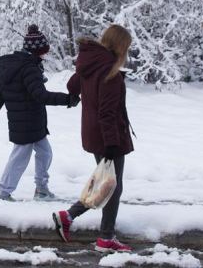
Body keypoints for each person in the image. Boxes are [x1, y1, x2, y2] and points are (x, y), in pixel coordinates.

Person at [52, 24, 135, 253]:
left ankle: (68, 216)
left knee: (105, 182)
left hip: (93, 134)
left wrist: (84, 78)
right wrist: (111, 144)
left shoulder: (91, 64)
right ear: (120, 46)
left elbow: (71, 87)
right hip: (108, 138)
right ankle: (105, 237)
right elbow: (107, 114)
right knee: (111, 186)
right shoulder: (111, 73)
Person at [0, 24, 81, 201]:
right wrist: (67, 99)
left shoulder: (20, 67)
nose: (46, 54)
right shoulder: (28, 69)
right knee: (20, 158)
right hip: (25, 124)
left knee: (45, 153)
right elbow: (41, 96)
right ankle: (3, 192)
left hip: (33, 122)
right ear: (38, 51)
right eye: (44, 51)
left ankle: (41, 189)